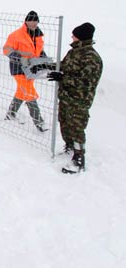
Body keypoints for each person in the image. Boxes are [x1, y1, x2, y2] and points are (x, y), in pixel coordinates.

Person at [48, 23, 103, 174]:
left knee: (77, 128)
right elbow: (63, 66)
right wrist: (46, 66)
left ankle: (79, 159)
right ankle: (69, 147)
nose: (72, 37)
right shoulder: (74, 52)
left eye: (74, 35)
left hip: (79, 100)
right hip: (66, 97)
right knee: (64, 123)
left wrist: (63, 78)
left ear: (81, 37)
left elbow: (86, 82)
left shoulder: (91, 58)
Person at [2, 11, 47, 131]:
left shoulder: (38, 36)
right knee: (29, 93)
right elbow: (6, 50)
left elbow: (39, 51)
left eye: (35, 20)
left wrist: (44, 59)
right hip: (18, 69)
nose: (33, 23)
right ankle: (39, 122)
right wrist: (19, 58)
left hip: (31, 69)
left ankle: (11, 114)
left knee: (22, 92)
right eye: (31, 20)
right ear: (26, 21)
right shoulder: (16, 35)